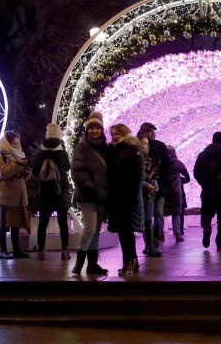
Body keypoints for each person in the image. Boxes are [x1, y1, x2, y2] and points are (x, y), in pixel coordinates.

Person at [70, 112, 109, 275]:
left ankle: (92, 264)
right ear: (87, 130)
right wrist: (88, 185)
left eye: (97, 128)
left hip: (102, 196)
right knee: (90, 228)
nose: (94, 131)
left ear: (101, 130)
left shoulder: (105, 148)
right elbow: (77, 170)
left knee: (96, 230)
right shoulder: (82, 147)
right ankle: (78, 263)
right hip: (88, 195)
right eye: (91, 128)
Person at [107, 123, 145, 275]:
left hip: (127, 198)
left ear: (125, 133)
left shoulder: (133, 150)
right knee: (124, 231)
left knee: (126, 231)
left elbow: (136, 177)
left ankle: (127, 263)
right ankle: (133, 261)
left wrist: (130, 197)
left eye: (117, 133)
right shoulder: (118, 150)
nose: (115, 136)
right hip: (118, 197)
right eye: (113, 134)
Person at [32, 123, 72, 261]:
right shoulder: (61, 150)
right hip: (60, 190)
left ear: (47, 133)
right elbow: (67, 167)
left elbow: (35, 171)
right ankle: (65, 251)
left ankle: (41, 251)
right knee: (62, 222)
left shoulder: (40, 150)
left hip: (44, 191)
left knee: (43, 222)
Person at [0, 131, 32, 259]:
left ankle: (17, 250)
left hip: (19, 196)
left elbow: (24, 177)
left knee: (15, 224)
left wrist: (27, 168)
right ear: (7, 144)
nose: (16, 146)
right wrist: (17, 164)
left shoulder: (19, 155)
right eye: (13, 144)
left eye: (17, 144)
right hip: (6, 196)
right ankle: (2, 251)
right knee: (3, 224)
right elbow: (3, 173)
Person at [138, 122, 173, 244]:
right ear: (142, 132)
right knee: (146, 217)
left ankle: (156, 238)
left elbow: (167, 166)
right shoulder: (137, 146)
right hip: (143, 187)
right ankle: (149, 242)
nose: (152, 133)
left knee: (158, 214)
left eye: (153, 131)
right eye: (149, 131)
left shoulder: (160, 146)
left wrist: (166, 184)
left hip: (159, 185)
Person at [137, 134, 161, 257]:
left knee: (148, 220)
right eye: (141, 143)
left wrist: (155, 184)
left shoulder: (150, 160)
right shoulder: (134, 159)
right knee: (143, 221)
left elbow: (155, 174)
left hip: (150, 195)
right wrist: (145, 184)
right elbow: (134, 178)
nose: (144, 146)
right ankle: (149, 246)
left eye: (146, 143)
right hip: (139, 194)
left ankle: (149, 246)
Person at [166, 149, 190, 242]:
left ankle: (160, 235)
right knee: (176, 213)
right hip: (176, 191)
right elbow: (187, 177)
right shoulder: (178, 163)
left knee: (161, 214)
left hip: (164, 191)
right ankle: (177, 234)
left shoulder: (162, 163)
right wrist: (179, 181)